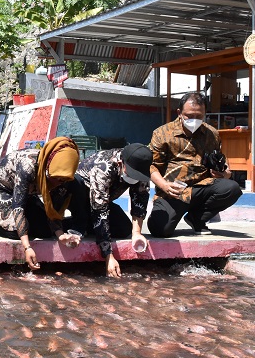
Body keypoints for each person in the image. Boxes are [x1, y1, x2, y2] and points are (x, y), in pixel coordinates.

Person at [0, 137, 86, 270]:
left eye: (62, 180)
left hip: (25, 194)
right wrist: (27, 248)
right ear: (48, 166)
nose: (57, 183)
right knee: (17, 231)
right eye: (55, 178)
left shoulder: (64, 177)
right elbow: (18, 208)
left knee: (45, 231)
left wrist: (61, 235)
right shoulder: (27, 165)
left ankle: (4, 218)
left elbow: (52, 211)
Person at [147, 91, 242, 237]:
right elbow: (152, 165)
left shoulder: (212, 134)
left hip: (202, 187)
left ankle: (197, 218)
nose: (194, 120)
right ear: (179, 113)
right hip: (174, 192)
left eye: (199, 116)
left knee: (232, 188)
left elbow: (222, 159)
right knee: (160, 230)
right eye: (189, 116)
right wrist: (164, 186)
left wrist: (225, 173)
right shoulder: (162, 133)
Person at [75, 143, 153, 277]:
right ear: (120, 162)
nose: (135, 178)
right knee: (95, 221)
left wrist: (137, 233)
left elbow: (140, 199)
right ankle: (75, 224)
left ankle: (91, 227)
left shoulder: (141, 167)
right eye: (132, 173)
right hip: (81, 196)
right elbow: (100, 211)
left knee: (124, 230)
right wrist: (108, 257)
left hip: (104, 200)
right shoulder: (103, 168)